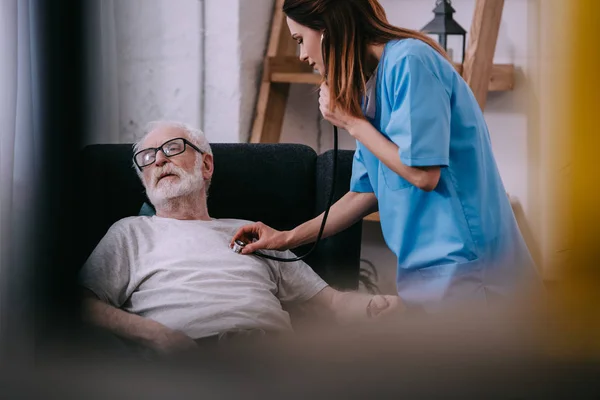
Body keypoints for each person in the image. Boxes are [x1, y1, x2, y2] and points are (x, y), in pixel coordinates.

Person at [232, 0, 542, 312]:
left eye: (300, 40)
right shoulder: (370, 90)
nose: (301, 55)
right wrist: (285, 239)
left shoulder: (411, 61)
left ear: (329, 31)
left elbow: (424, 174)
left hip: (472, 272)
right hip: (426, 276)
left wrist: (352, 122)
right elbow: (362, 194)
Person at [78, 121, 403, 356]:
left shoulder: (252, 232)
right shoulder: (130, 232)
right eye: (147, 158)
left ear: (205, 165)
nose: (159, 159)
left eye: (172, 148)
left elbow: (332, 302)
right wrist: (152, 333)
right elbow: (79, 303)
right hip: (190, 360)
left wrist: (376, 306)